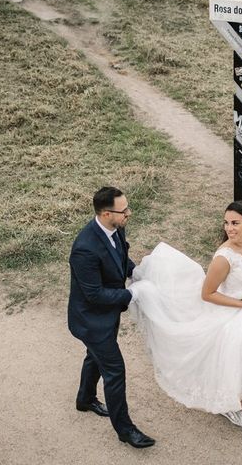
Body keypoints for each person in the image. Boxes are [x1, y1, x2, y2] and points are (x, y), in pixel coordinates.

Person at [129, 200, 242, 434]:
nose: (229, 228)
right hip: (230, 309)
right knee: (241, 357)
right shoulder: (224, 258)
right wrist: (239, 303)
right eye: (226, 223)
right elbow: (207, 294)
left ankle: (240, 401)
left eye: (235, 223)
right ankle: (237, 408)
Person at [67, 186, 155, 448]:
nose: (129, 213)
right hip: (91, 320)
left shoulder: (116, 227)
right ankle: (125, 430)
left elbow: (120, 258)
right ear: (106, 214)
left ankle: (84, 400)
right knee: (115, 371)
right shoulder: (85, 248)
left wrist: (135, 271)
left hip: (106, 316)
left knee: (94, 357)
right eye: (123, 210)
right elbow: (94, 295)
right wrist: (132, 294)